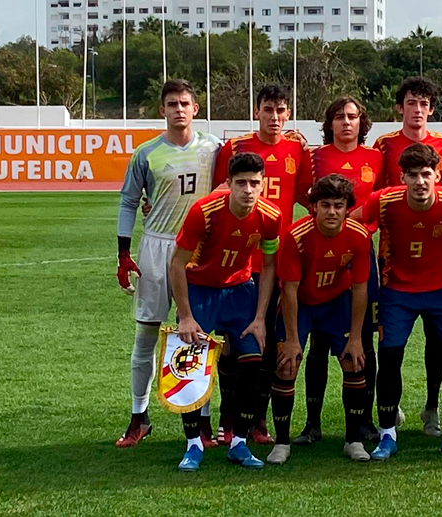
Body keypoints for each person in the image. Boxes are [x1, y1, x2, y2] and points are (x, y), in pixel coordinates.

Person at [115, 79, 222, 448]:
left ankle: (203, 422)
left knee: (203, 336)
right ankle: (138, 416)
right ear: (162, 110)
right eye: (172, 103)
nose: (179, 109)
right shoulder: (146, 154)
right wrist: (123, 252)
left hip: (201, 250)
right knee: (146, 333)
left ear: (196, 108)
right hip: (158, 248)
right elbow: (129, 202)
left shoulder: (214, 147)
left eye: (185, 103)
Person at [355, 143, 442, 461]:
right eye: (413, 175)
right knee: (390, 356)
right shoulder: (383, 202)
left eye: (426, 174)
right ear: (401, 178)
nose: (420, 181)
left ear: (437, 175)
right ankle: (387, 435)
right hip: (397, 291)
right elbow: (352, 226)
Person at [169, 152, 281, 471]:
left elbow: (269, 265)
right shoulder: (204, 212)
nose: (248, 189)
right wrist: (186, 315)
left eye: (254, 183)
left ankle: (239, 443)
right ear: (229, 183)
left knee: (253, 363)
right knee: (189, 365)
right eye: (242, 183)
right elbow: (177, 263)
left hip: (240, 291)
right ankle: (193, 445)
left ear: (263, 185)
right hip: (200, 291)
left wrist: (260, 318)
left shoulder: (270, 216)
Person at [212, 84, 305, 446]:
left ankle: (258, 419)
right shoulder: (235, 148)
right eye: (268, 109)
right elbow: (217, 194)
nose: (275, 117)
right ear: (257, 111)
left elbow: (310, 197)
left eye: (281, 110)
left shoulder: (297, 148)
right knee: (234, 342)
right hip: (238, 261)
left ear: (288, 112)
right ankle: (228, 417)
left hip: (276, 260)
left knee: (266, 342)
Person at [292, 96, 383, 445]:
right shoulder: (313, 156)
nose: (346, 122)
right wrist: (328, 219)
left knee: (364, 340)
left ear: (362, 122)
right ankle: (311, 423)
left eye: (353, 116)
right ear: (328, 123)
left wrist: (355, 223)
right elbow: (302, 194)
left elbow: (383, 198)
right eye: (339, 117)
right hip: (319, 252)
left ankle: (365, 420)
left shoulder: (375, 157)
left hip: (361, 252)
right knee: (317, 342)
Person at [267, 174, 372, 464]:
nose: (332, 212)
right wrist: (291, 339)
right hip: (300, 304)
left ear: (348, 207)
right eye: (324, 205)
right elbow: (288, 289)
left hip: (337, 303)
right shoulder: (295, 236)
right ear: (313, 207)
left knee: (354, 361)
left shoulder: (359, 235)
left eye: (338, 205)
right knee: (287, 366)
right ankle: (282, 442)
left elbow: (360, 288)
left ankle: (353, 440)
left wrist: (356, 337)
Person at [373, 77, 442, 435]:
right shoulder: (384, 145)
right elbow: (374, 196)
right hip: (391, 257)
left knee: (438, 338)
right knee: (390, 340)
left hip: (434, 255)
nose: (417, 110)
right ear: (399, 107)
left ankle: (432, 407)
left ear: (431, 109)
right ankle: (393, 404)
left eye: (423, 103)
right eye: (410, 103)